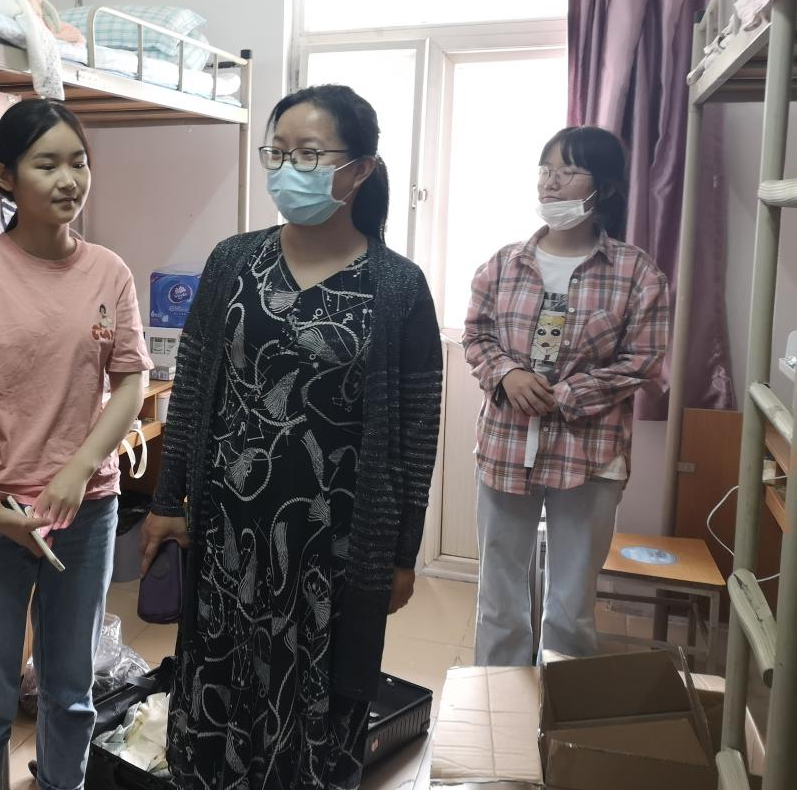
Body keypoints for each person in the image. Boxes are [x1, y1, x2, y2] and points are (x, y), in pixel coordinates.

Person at [139, 84, 443, 790]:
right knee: (217, 688)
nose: (287, 169)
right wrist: (166, 500)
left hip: (335, 547)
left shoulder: (398, 286)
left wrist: (402, 553)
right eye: (276, 153)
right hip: (228, 533)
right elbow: (193, 389)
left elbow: (416, 432)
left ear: (359, 169)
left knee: (319, 707)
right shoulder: (233, 261)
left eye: (308, 154)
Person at [0, 98, 153, 790]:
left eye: (79, 162)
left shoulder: (109, 270)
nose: (68, 180)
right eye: (46, 164)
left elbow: (131, 382)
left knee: (71, 691)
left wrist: (80, 470)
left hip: (86, 511)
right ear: (5, 176)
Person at [463, 126, 669, 666]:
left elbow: (643, 360)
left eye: (568, 171)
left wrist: (568, 393)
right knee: (499, 601)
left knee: (571, 606)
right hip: (507, 447)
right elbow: (477, 335)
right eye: (545, 169)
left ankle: (560, 712)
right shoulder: (503, 263)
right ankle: (498, 707)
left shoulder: (637, 273)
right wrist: (506, 374)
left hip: (590, 455)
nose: (550, 183)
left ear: (605, 187)